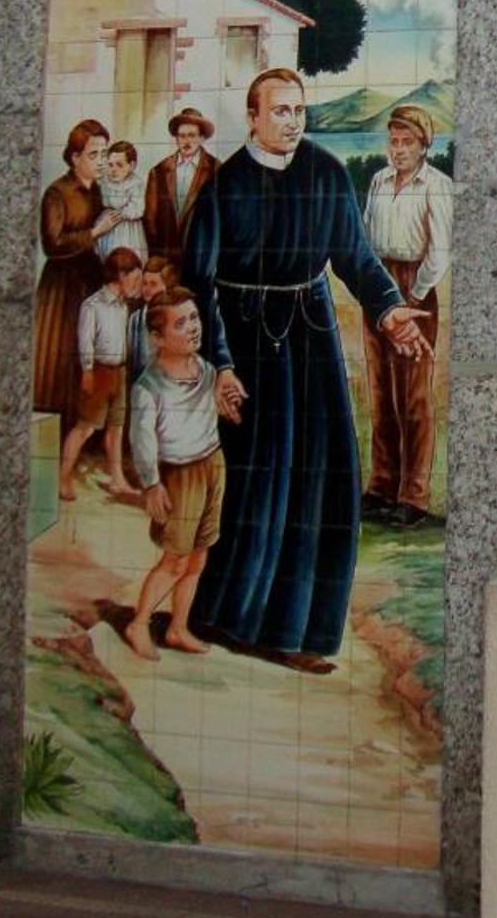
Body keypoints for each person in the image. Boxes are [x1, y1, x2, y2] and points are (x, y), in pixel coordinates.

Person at [182, 68, 430, 672]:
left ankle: (300, 632)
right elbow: (198, 286)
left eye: (299, 110)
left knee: (326, 475)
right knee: (257, 482)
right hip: (246, 343)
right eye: (281, 111)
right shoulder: (223, 187)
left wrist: (389, 310)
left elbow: (355, 256)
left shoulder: (325, 173)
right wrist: (219, 365)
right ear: (253, 118)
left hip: (311, 335)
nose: (294, 121)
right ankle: (228, 618)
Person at [124, 289, 230, 661]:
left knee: (199, 557)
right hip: (179, 475)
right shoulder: (148, 387)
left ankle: (177, 627)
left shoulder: (206, 370)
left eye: (195, 318)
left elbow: (212, 409)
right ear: (157, 338)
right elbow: (141, 440)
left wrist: (226, 405)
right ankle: (139, 623)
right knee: (175, 560)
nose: (193, 328)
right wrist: (152, 484)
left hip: (211, 464)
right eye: (181, 323)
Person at [360, 104, 452, 529]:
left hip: (414, 287)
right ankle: (381, 485)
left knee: (413, 393)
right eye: (393, 142)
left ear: (423, 146)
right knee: (380, 389)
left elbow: (440, 251)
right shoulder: (379, 181)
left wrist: (411, 297)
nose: (398, 150)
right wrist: (375, 290)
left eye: (406, 142)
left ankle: (413, 494)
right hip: (379, 284)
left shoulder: (436, 185)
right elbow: (366, 233)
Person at [33, 119, 121, 427]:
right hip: (63, 288)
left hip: (89, 279)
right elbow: (52, 243)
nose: (101, 161)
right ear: (75, 157)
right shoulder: (57, 193)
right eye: (94, 155)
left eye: (104, 154)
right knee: (64, 359)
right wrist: (95, 232)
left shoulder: (97, 190)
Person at [61, 247, 145, 500]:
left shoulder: (123, 306)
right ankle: (63, 477)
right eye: (134, 278)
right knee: (85, 428)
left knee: (116, 429)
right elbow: (85, 341)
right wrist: (87, 371)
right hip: (99, 372)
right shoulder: (93, 305)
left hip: (120, 372)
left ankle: (118, 480)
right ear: (121, 275)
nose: (137, 284)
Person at [144, 107, 217, 263]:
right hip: (166, 261)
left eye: (192, 135)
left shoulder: (216, 170)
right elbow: (150, 221)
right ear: (176, 138)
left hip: (201, 260)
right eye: (182, 136)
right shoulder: (159, 172)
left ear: (202, 138)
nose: (186, 141)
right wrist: (157, 259)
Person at [96, 139, 146, 260]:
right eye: (110, 165)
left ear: (132, 165)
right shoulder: (104, 181)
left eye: (119, 165)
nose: (113, 169)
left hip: (127, 228)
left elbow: (138, 208)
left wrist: (122, 213)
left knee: (126, 257)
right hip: (106, 225)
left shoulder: (135, 183)